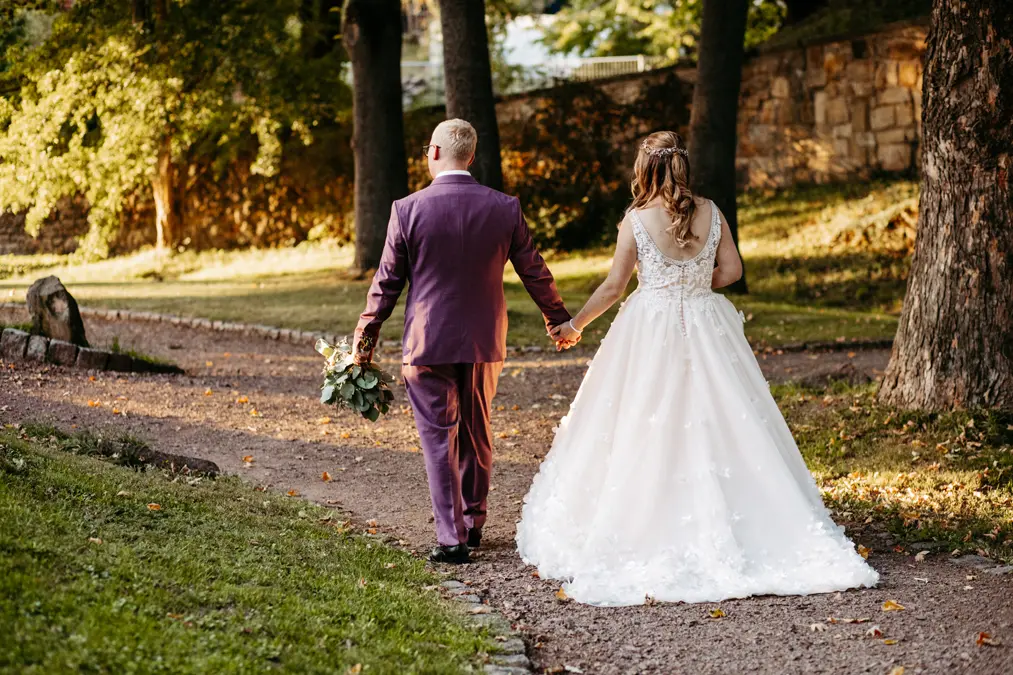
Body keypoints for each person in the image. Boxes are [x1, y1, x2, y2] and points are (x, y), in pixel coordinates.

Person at [515, 131, 879, 606]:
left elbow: (612, 287)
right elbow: (732, 272)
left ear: (645, 171)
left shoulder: (636, 220)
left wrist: (572, 325)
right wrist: (692, 280)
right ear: (682, 166)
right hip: (708, 323)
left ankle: (644, 521)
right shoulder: (712, 212)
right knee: (727, 417)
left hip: (651, 329)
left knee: (643, 422)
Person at [353, 118, 577, 565]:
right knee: (477, 430)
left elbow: (386, 283)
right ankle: (474, 522)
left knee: (439, 438)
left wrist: (365, 339)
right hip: (483, 339)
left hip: (426, 340)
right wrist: (558, 319)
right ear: (471, 157)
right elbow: (534, 269)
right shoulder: (504, 207)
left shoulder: (407, 209)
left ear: (433, 153)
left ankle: (450, 537)